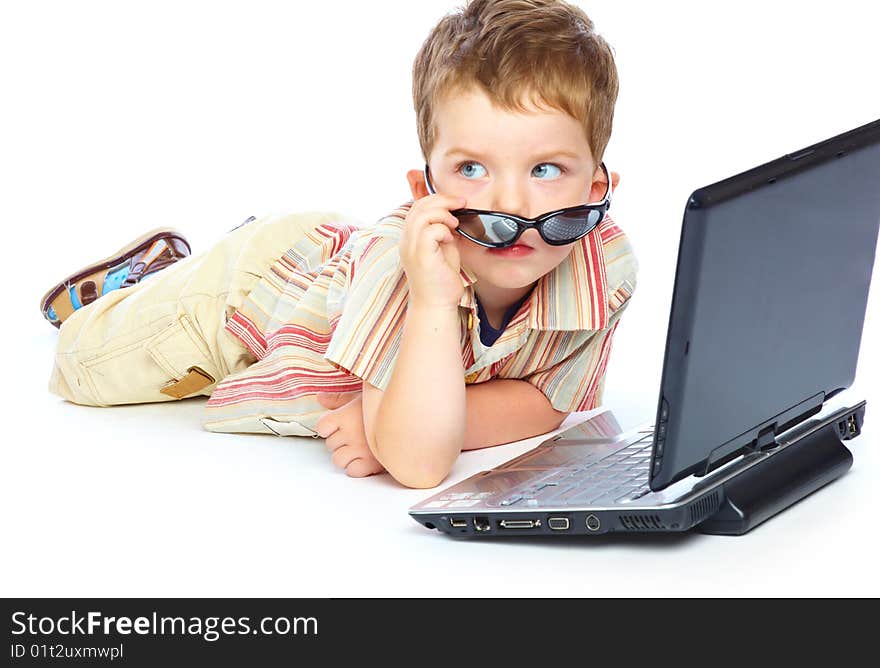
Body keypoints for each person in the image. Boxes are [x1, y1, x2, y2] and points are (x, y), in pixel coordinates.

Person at [42, 0, 638, 489]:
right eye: (474, 169)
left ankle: (169, 269)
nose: (511, 204)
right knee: (82, 367)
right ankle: (149, 284)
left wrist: (400, 424)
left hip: (325, 270)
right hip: (248, 296)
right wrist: (429, 317)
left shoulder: (601, 267)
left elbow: (548, 402)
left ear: (596, 185)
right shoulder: (408, 265)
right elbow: (418, 463)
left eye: (545, 170)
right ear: (423, 189)